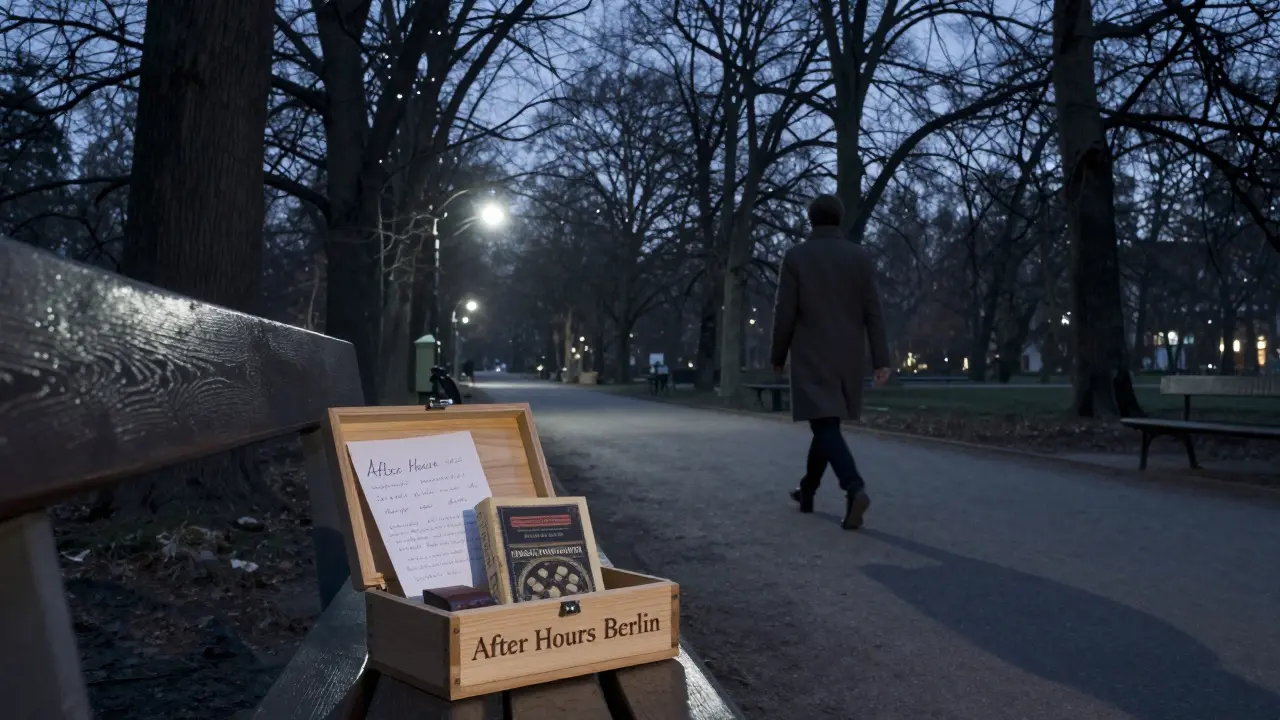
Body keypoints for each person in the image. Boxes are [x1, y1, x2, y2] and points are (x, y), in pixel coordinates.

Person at [769, 194, 891, 530]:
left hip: (811, 352)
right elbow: (874, 312)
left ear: (811, 220)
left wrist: (778, 356)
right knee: (827, 425)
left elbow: (785, 313)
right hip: (849, 354)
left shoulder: (796, 257)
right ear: (839, 219)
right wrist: (882, 358)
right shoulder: (859, 258)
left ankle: (854, 487)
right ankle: (807, 490)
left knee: (823, 425)